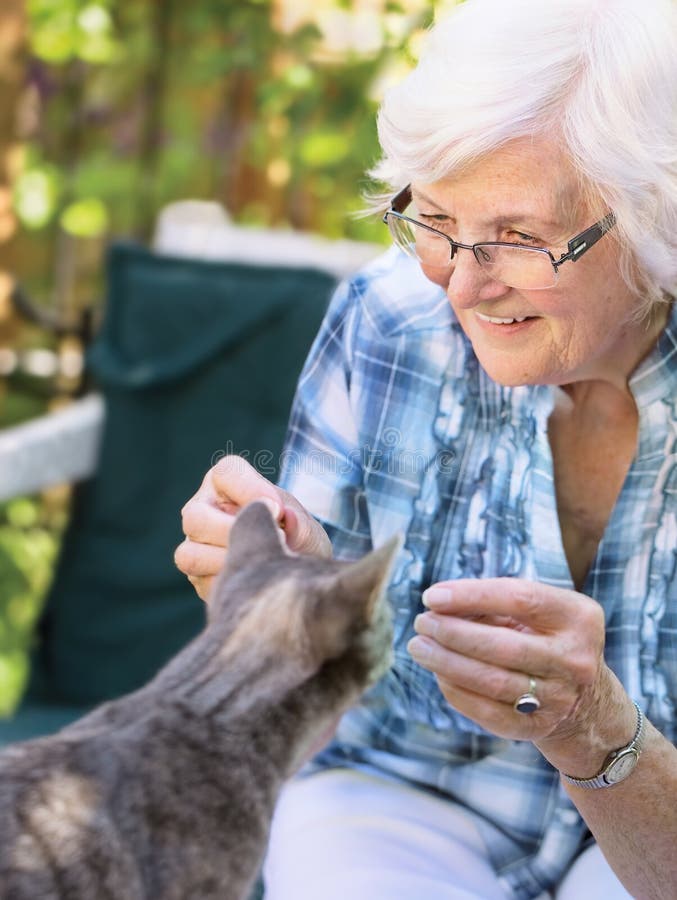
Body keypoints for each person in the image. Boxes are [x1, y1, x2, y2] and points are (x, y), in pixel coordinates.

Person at [174, 0, 677, 896]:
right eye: (436, 220)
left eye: (519, 237)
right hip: (404, 792)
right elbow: (293, 731)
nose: (461, 286)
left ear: (653, 219)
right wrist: (285, 622)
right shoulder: (385, 321)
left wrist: (594, 731)